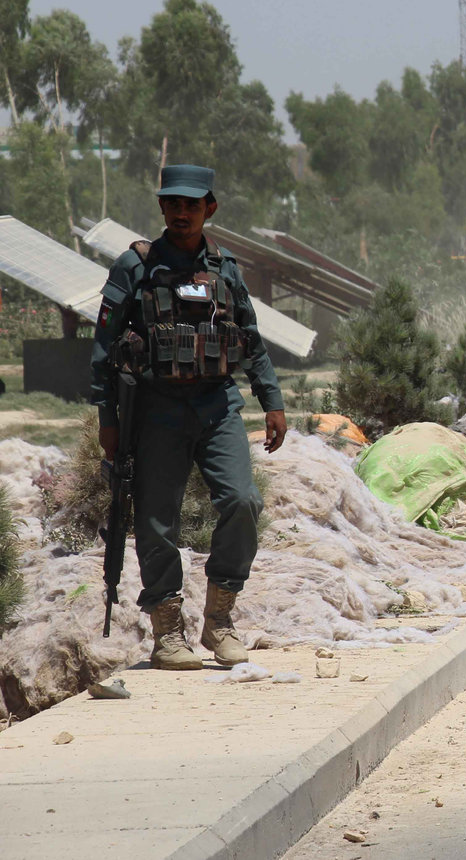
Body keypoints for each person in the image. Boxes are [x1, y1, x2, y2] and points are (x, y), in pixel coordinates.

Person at [90, 164, 288, 671]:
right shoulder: (134, 268)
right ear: (162, 207)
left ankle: (219, 622)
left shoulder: (226, 269)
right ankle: (167, 632)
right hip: (156, 409)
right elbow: (102, 350)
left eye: (192, 205)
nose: (181, 213)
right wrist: (107, 420)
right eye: (173, 204)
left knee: (243, 501)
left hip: (217, 405)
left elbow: (252, 340)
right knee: (158, 522)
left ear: (210, 208)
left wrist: (272, 401)